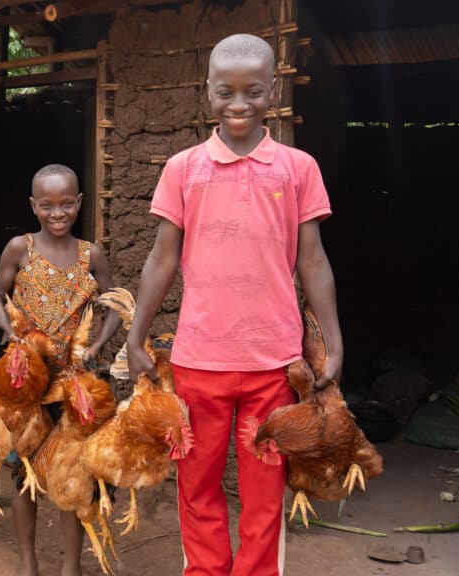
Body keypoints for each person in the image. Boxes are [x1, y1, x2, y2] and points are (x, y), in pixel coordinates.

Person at [125, 34, 343, 576]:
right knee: (197, 487)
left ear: (273, 90)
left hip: (275, 363)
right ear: (207, 93)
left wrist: (333, 340)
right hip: (199, 362)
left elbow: (312, 261)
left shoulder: (297, 168)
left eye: (252, 91)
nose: (238, 104)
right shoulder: (183, 168)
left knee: (264, 492)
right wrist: (135, 335)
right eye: (226, 92)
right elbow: (161, 260)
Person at [0, 164, 121, 576]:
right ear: (34, 205)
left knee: (73, 472)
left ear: (78, 203)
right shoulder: (19, 249)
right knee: (22, 470)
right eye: (47, 205)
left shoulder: (90, 254)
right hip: (28, 380)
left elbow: (114, 304)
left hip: (76, 382)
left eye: (66, 204)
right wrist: (9, 332)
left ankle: (71, 566)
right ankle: (28, 562)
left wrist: (97, 345)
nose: (57, 213)